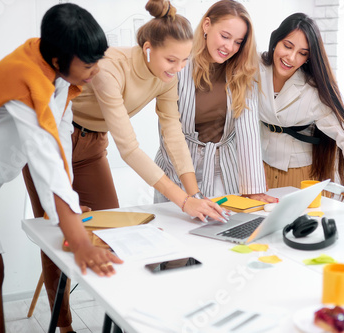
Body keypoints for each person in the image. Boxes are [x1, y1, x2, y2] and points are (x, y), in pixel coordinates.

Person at [24, 1, 227, 332]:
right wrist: (182, 201)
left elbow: (172, 130)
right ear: (148, 49)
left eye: (185, 59)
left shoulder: (168, 75)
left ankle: (120, 320)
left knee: (118, 235)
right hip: (53, 143)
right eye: (171, 60)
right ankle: (64, 326)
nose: (178, 67)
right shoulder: (109, 68)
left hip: (91, 147)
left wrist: (195, 193)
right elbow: (129, 148)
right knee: (57, 233)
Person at [0, 3, 122, 333]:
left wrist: (67, 208)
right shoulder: (24, 77)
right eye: (88, 64)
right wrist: (78, 239)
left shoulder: (55, 72)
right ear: (58, 60)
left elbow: (60, 144)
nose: (95, 71)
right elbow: (44, 156)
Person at [154, 0, 277, 203]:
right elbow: (169, 130)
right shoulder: (179, 65)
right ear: (207, 25)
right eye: (225, 36)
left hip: (223, 166)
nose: (230, 47)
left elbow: (248, 131)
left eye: (238, 42)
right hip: (177, 165)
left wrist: (253, 189)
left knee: (221, 225)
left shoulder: (243, 71)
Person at [258, 13, 344, 198]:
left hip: (302, 175)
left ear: (308, 58)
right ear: (276, 41)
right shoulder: (253, 69)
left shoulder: (313, 90)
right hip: (260, 171)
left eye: (302, 53)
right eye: (287, 46)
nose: (291, 57)